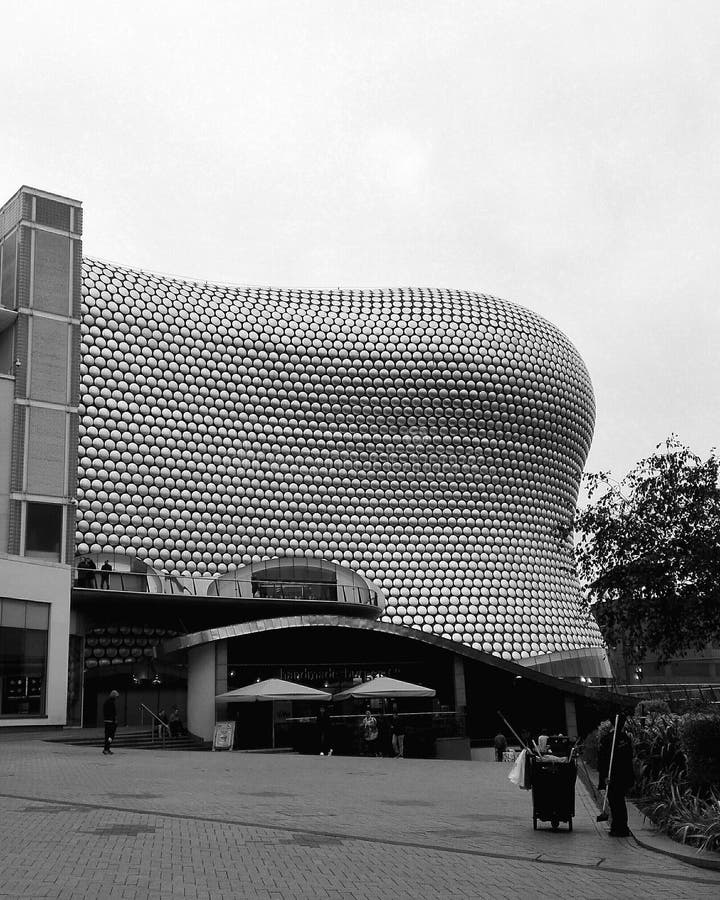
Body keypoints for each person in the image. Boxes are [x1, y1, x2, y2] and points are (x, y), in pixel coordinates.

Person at [598, 714, 634, 837]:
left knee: (615, 802)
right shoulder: (625, 739)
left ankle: (618, 827)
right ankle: (621, 826)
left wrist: (604, 777)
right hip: (622, 776)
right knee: (620, 801)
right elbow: (629, 759)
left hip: (613, 777)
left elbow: (602, 760)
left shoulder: (608, 739)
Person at [102, 690, 119, 755]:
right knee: (110, 736)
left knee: (108, 736)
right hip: (111, 722)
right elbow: (113, 713)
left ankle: (107, 748)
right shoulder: (111, 702)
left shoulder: (107, 702)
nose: (116, 698)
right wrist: (115, 721)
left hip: (107, 721)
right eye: (116, 696)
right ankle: (106, 749)